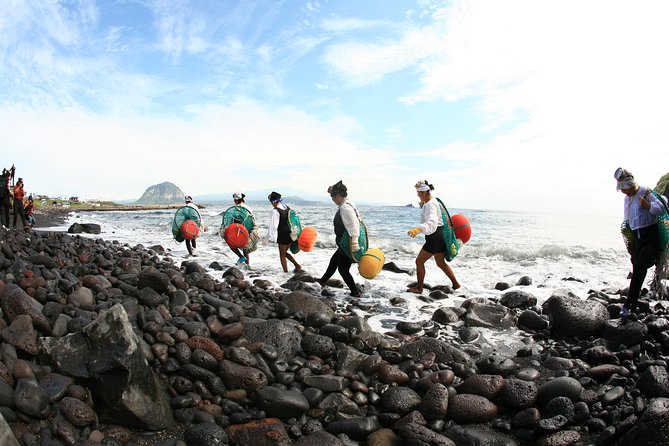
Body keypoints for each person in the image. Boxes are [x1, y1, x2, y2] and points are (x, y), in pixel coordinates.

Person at [615, 168, 667, 318]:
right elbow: (627, 220)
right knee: (639, 269)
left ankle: (627, 305)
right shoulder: (627, 199)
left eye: (625, 189)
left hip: (651, 237)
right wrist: (630, 241)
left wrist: (648, 206)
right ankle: (634, 304)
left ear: (630, 184)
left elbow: (662, 209)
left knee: (638, 268)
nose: (624, 192)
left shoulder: (646, 192)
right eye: (622, 190)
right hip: (637, 239)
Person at [406, 180, 460, 294]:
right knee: (440, 263)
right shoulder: (432, 201)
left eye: (419, 193)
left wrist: (417, 229)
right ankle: (456, 284)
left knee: (419, 262)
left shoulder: (430, 205)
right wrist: (423, 205)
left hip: (434, 237)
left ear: (425, 193)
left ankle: (419, 288)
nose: (417, 195)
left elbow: (431, 222)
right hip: (440, 236)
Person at [316, 181, 362, 297]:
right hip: (345, 243)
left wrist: (354, 243)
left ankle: (355, 292)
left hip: (348, 244)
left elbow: (354, 225)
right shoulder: (348, 204)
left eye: (332, 196)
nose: (332, 199)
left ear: (337, 195)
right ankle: (323, 280)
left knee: (343, 269)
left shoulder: (345, 207)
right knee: (334, 261)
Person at [267, 191, 301, 272]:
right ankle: (297, 266)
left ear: (273, 201)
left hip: (282, 235)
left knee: (282, 255)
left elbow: (273, 226)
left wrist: (267, 238)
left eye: (271, 202)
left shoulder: (276, 210)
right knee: (284, 253)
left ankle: (286, 273)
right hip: (290, 234)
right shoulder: (286, 207)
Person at [229, 192, 257, 265]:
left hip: (240, 230)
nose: (234, 201)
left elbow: (236, 220)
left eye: (235, 200)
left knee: (231, 243)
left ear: (238, 200)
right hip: (249, 230)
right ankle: (247, 266)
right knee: (245, 249)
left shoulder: (238, 208)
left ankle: (241, 257)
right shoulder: (248, 207)